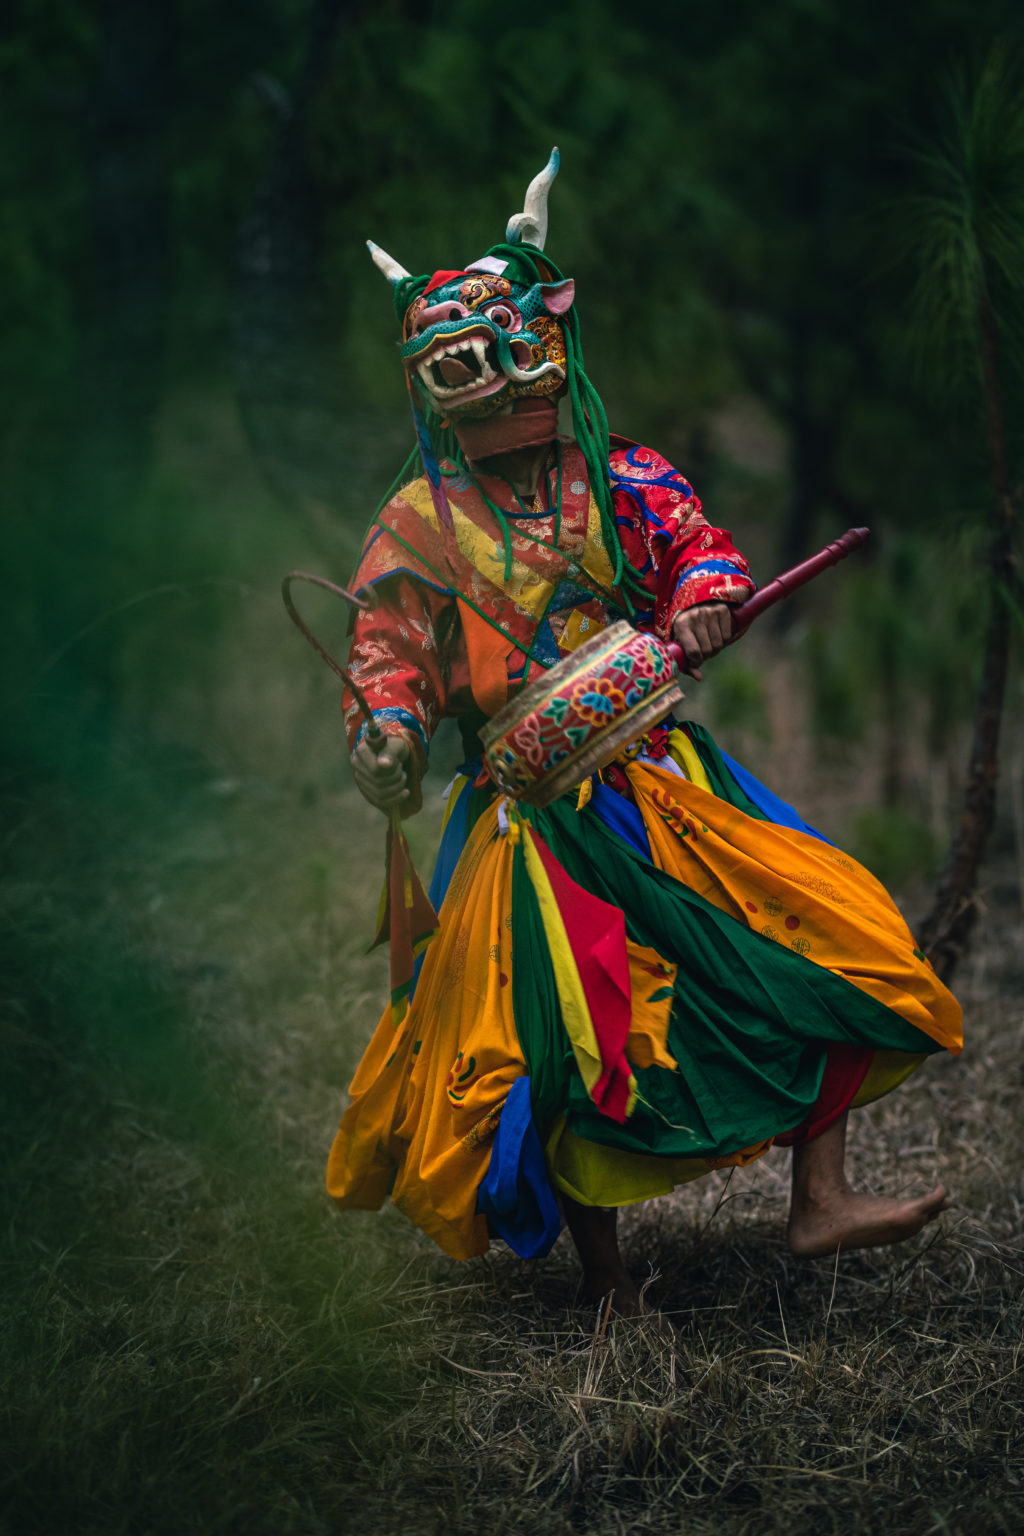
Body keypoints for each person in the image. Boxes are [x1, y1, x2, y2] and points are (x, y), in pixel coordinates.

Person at [326, 153, 961, 1314]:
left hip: (661, 778)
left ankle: (818, 1198)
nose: (477, 383)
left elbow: (698, 549)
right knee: (560, 1046)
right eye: (447, 366)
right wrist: (385, 729)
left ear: (541, 351)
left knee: (823, 934)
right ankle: (607, 1281)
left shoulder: (620, 478)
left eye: (492, 350)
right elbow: (387, 660)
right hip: (530, 825)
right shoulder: (414, 528)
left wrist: (703, 596)